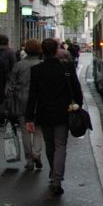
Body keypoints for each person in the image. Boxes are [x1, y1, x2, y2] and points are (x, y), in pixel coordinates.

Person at [26, 38, 83, 195]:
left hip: (44, 113)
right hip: (63, 112)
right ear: (57, 50)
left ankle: (53, 173)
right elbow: (76, 89)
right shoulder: (66, 67)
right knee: (61, 146)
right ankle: (57, 178)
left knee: (50, 145)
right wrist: (79, 105)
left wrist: (29, 118)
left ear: (42, 51)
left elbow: (33, 96)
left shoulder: (37, 70)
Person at [7, 39, 44, 171]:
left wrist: (8, 102)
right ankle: (37, 153)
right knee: (38, 130)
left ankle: (29, 160)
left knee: (25, 131)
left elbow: (11, 86)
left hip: (22, 101)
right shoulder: (42, 65)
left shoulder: (19, 65)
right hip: (39, 103)